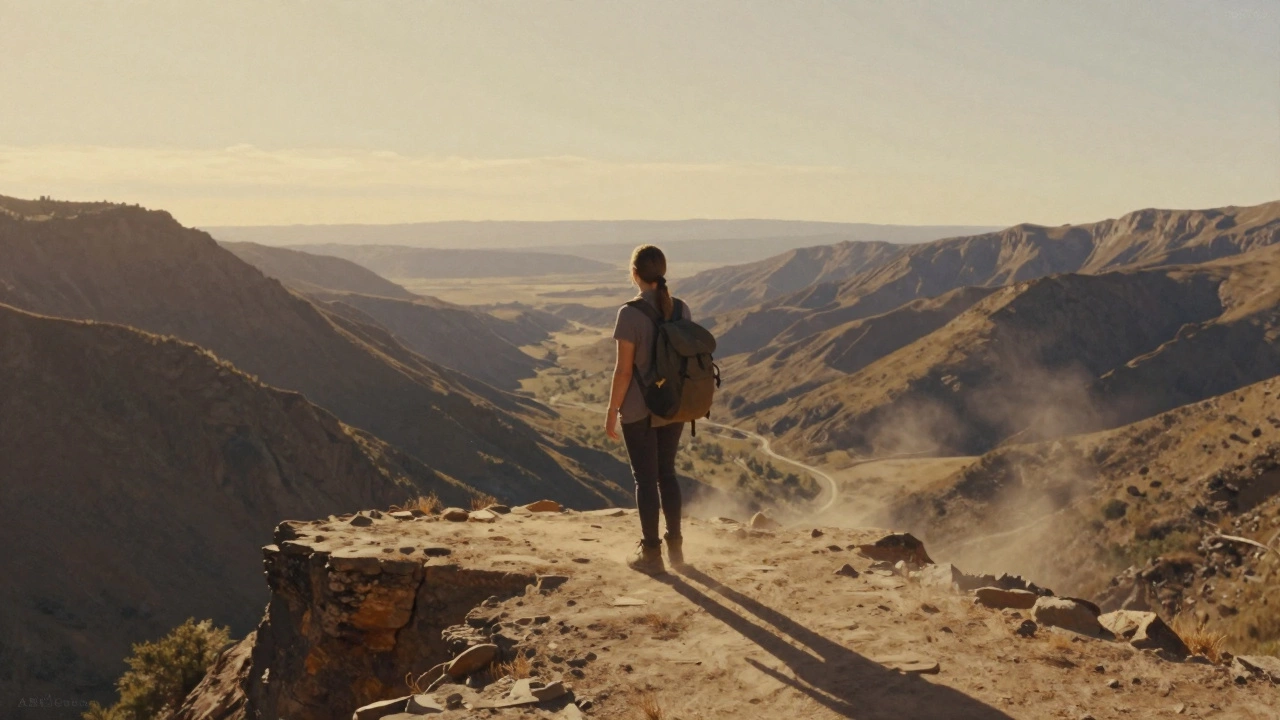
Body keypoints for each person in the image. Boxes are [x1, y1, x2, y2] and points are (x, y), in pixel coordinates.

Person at [605, 244, 691, 575]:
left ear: (635, 274)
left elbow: (624, 371)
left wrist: (613, 409)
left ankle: (651, 554)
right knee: (667, 473)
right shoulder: (682, 309)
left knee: (645, 478)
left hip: (640, 408)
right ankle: (676, 549)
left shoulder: (629, 314)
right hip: (673, 406)